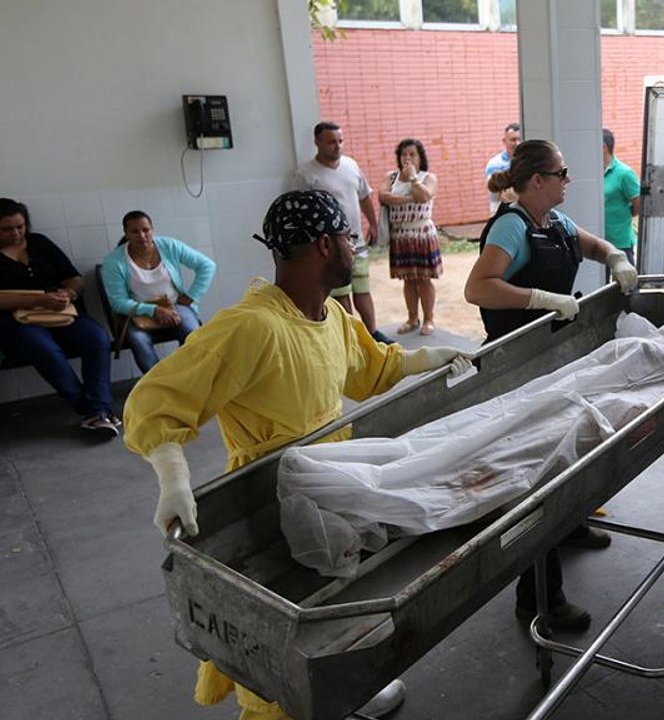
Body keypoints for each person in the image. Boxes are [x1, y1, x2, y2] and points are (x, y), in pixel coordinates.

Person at [123, 189, 472, 720]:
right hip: (266, 501)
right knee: (279, 632)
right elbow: (156, 401)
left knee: (335, 598)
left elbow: (369, 368)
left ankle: (340, 686)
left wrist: (428, 358)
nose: (356, 247)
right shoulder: (253, 327)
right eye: (349, 237)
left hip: (330, 482)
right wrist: (172, 475)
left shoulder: (330, 315)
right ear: (325, 244)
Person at [465, 138, 639, 632]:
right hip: (516, 365)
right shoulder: (512, 226)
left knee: (569, 453)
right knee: (536, 476)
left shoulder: (554, 221)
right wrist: (540, 298)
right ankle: (539, 598)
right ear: (537, 180)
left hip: (553, 357)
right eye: (561, 173)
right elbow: (478, 287)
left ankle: (570, 525)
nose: (568, 179)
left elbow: (593, 245)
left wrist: (615, 257)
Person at [0, 198, 120, 437]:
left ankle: (97, 412)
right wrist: (39, 299)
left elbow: (75, 279)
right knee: (44, 350)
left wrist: (69, 294)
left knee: (97, 338)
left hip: (58, 311)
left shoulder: (39, 243)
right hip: (16, 320)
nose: (16, 233)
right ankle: (95, 411)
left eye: (20, 227)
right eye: (7, 229)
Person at [296, 121, 393, 344]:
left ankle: (372, 336)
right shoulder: (306, 175)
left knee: (363, 288)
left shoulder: (351, 165)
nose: (337, 146)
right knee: (341, 294)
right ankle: (352, 339)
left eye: (340, 141)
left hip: (356, 243)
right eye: (331, 142)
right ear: (317, 142)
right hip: (330, 248)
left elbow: (364, 196)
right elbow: (301, 213)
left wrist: (373, 224)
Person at [101, 210, 216, 372]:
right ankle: (158, 382)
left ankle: (190, 376)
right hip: (138, 311)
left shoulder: (169, 246)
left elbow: (207, 266)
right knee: (138, 340)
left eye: (146, 230)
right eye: (134, 231)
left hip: (175, 305)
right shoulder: (114, 261)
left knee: (193, 332)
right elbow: (118, 303)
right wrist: (154, 310)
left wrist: (192, 296)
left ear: (152, 229)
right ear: (126, 234)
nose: (142, 235)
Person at [378, 138, 442, 336]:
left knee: (423, 279)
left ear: (420, 157)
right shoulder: (391, 177)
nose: (407, 158)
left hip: (421, 234)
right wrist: (409, 198)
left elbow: (425, 196)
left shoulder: (428, 177)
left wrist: (413, 178)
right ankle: (412, 318)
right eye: (404, 154)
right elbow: (383, 196)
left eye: (412, 154)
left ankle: (429, 318)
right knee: (408, 279)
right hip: (401, 235)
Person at [602, 128, 641, 264]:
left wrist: (622, 215)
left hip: (620, 242)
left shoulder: (624, 173)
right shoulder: (593, 173)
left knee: (626, 276)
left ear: (603, 147)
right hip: (599, 242)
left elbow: (638, 203)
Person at [484, 122, 521, 214]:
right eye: (513, 140)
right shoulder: (495, 164)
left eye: (520, 139)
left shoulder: (527, 161)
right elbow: (495, 192)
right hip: (501, 212)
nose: (517, 143)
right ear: (504, 141)